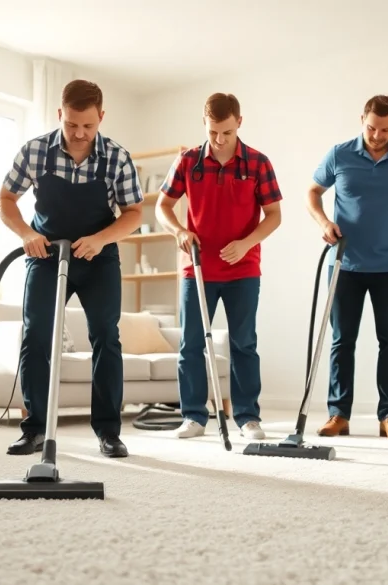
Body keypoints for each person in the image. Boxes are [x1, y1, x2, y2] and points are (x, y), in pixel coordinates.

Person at [0, 79, 144, 458]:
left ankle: (109, 432)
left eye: (89, 126)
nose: (80, 134)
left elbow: (133, 214)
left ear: (101, 118)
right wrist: (26, 233)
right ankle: (32, 430)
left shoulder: (116, 157)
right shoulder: (35, 152)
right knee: (36, 337)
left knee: (106, 338)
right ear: (60, 114)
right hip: (45, 254)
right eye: (72, 124)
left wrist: (102, 239)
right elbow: (6, 198)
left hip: (98, 257)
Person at [306, 95, 388, 441]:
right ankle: (338, 415)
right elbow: (312, 192)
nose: (377, 135)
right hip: (345, 264)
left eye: (384, 129)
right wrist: (323, 222)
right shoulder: (340, 154)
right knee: (341, 341)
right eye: (370, 127)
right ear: (361, 119)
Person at [155, 92, 283, 440]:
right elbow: (162, 208)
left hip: (243, 269)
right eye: (213, 132)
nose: (220, 139)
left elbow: (274, 216)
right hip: (196, 268)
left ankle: (247, 417)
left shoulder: (258, 163)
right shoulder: (188, 161)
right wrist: (179, 230)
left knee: (244, 343)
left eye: (226, 131)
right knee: (191, 344)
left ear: (239, 122)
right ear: (204, 124)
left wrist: (246, 243)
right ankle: (194, 417)